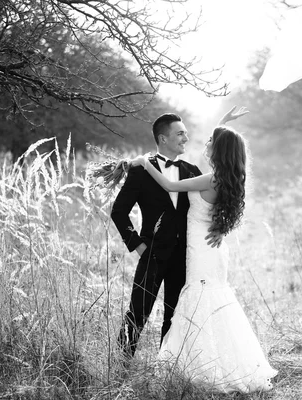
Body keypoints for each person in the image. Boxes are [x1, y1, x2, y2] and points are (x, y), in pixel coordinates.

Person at [128, 117, 277, 393]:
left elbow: (171, 186)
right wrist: (224, 123)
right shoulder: (226, 179)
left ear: (218, 150)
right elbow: (218, 150)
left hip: (199, 250)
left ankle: (198, 367)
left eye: (211, 141)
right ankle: (210, 362)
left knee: (196, 303)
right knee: (209, 302)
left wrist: (145, 161)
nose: (202, 142)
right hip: (209, 249)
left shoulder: (207, 177)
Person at [111, 108, 244, 359]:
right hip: (151, 252)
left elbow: (220, 178)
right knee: (138, 310)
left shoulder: (192, 170)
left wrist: (221, 228)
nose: (185, 138)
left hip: (186, 255)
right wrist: (138, 245)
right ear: (163, 139)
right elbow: (118, 211)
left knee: (175, 314)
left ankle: (167, 365)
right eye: (180, 134)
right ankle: (121, 362)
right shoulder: (140, 171)